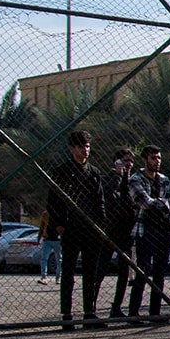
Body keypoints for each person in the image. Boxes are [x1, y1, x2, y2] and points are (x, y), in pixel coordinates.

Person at [49, 130, 108, 328]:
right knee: (68, 272)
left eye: (87, 146)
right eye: (81, 146)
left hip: (91, 228)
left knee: (91, 272)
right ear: (71, 148)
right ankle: (67, 315)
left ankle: (89, 313)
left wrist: (100, 224)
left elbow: (100, 200)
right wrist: (59, 225)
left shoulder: (94, 172)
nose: (85, 150)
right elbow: (53, 201)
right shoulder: (62, 172)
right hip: (71, 228)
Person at [127, 145, 170, 318]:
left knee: (160, 273)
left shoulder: (164, 180)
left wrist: (167, 212)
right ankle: (134, 312)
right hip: (145, 231)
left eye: (159, 158)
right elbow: (144, 202)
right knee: (143, 271)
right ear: (144, 160)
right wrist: (162, 204)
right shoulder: (136, 179)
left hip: (163, 230)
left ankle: (155, 312)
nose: (157, 161)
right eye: (153, 158)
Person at [102, 148, 138, 316]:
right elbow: (106, 194)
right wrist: (118, 174)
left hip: (126, 231)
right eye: (125, 161)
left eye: (131, 161)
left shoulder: (132, 181)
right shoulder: (107, 178)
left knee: (124, 272)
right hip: (110, 230)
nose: (129, 164)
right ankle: (91, 308)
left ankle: (117, 307)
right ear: (116, 161)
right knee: (101, 269)